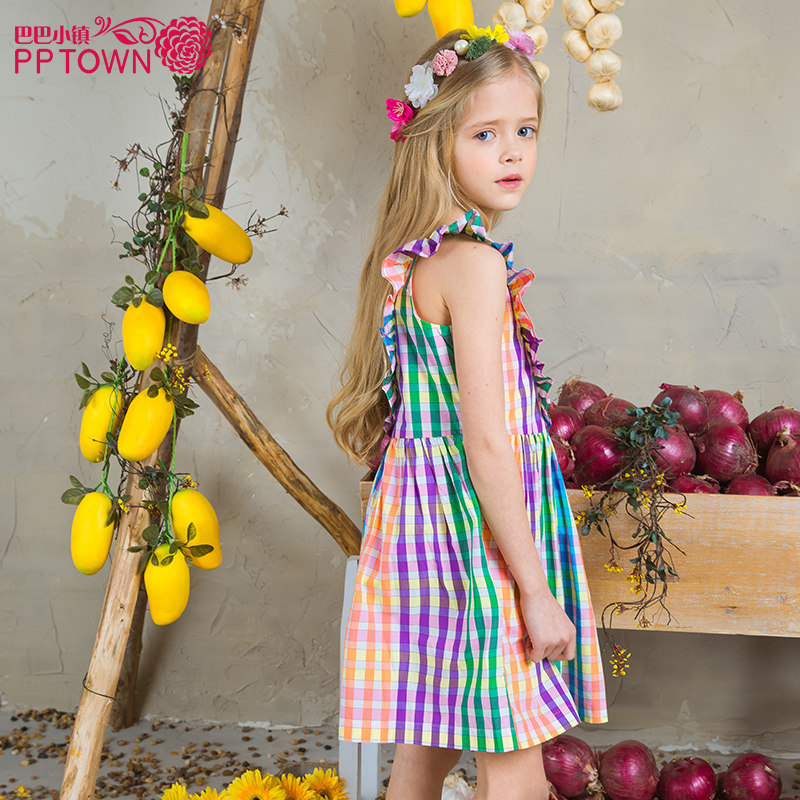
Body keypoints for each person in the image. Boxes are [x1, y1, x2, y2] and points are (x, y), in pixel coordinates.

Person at [327, 24, 608, 800]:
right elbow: (484, 441)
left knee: (427, 748)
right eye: (485, 134)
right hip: (480, 538)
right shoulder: (476, 266)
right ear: (436, 143)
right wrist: (535, 592)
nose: (512, 153)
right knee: (514, 755)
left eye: (526, 131)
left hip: (426, 535)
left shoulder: (419, 260)